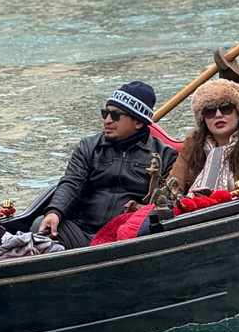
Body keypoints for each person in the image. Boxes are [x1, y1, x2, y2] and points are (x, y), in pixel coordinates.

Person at [35, 81, 178, 249]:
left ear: (138, 122)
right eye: (105, 113)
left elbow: (166, 202)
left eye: (115, 115)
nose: (107, 120)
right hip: (81, 232)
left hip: (126, 238)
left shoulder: (165, 156)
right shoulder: (88, 146)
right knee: (40, 224)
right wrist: (55, 212)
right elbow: (71, 183)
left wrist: (140, 210)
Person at [168, 78, 239, 198]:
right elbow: (172, 187)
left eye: (226, 109)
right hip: (193, 206)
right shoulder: (192, 144)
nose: (218, 115)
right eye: (210, 111)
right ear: (203, 119)